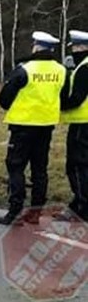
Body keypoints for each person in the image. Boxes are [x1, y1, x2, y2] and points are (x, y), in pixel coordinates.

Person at [0, 31, 68, 225]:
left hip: (22, 125)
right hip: (46, 125)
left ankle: (15, 210)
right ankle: (36, 212)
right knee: (39, 169)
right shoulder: (61, 70)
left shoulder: (24, 69)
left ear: (36, 46)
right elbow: (63, 96)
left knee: (15, 167)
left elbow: (4, 99)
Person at [61, 29, 88, 220]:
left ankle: (81, 205)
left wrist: (60, 104)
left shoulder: (84, 68)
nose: (73, 52)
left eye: (75, 47)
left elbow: (77, 97)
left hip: (82, 123)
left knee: (77, 165)